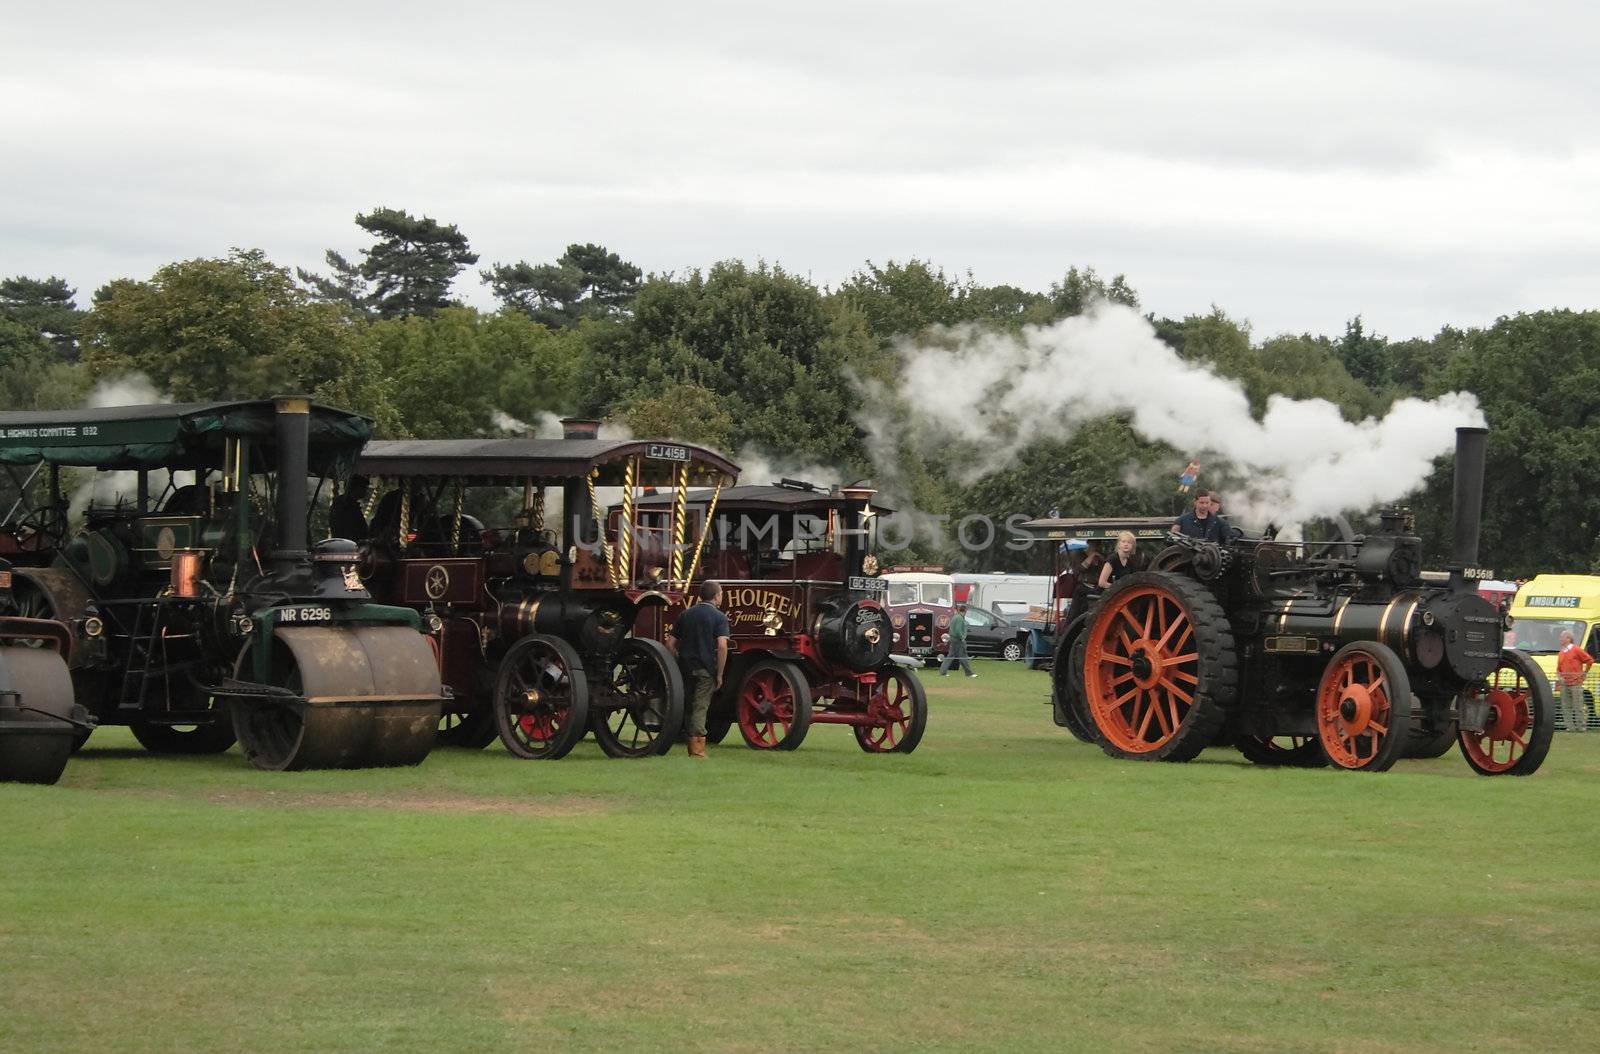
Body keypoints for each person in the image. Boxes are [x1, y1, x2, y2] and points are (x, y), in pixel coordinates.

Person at [667, 580, 731, 757]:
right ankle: (697, 750)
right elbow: (722, 646)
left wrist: (678, 660)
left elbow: (670, 643)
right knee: (700, 707)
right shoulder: (719, 617)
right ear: (716, 596)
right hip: (705, 668)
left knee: (689, 707)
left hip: (686, 667)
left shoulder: (686, 614)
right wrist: (719, 674)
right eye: (721, 594)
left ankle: (691, 745)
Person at [1557, 629, 1593, 733]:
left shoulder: (1577, 650)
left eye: (1562, 637)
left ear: (1568, 638)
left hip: (1576, 683)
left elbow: (1589, 660)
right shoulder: (1561, 653)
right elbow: (1559, 668)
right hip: (1565, 683)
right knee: (1566, 706)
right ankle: (1570, 727)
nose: (1560, 639)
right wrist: (1560, 677)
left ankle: (1581, 727)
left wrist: (1584, 673)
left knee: (1578, 705)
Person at [940, 602, 977, 678]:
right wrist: (962, 637)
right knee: (963, 656)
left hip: (952, 639)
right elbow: (958, 630)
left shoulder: (955, 617)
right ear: (965, 611)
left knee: (950, 656)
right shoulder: (960, 618)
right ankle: (969, 673)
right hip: (958, 640)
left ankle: (942, 672)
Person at [329, 476, 371, 542]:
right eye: (363, 488)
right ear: (356, 488)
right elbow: (351, 528)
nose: (366, 491)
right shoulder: (346, 505)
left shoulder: (349, 504)